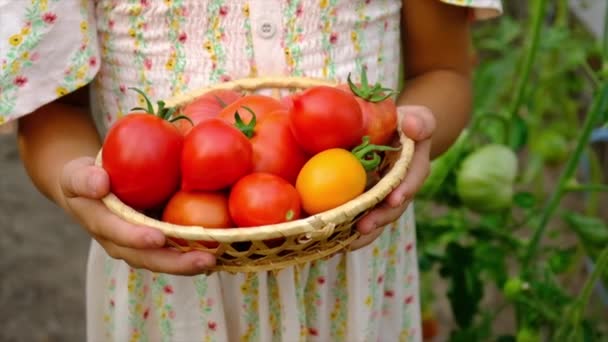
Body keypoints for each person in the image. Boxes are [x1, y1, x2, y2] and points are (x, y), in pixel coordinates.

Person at [1, 0, 502, 340]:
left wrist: (411, 138)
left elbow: (444, 71)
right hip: (165, 278)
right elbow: (50, 112)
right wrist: (80, 190)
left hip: (354, 268)